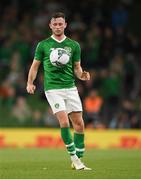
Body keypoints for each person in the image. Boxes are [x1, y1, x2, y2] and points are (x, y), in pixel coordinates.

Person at [26, 12, 91, 170]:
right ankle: (75, 159)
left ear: (65, 25)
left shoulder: (74, 45)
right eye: (54, 24)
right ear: (50, 26)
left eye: (60, 24)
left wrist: (82, 75)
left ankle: (78, 159)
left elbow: (77, 68)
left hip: (70, 88)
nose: (57, 27)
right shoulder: (43, 45)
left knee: (79, 124)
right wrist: (30, 83)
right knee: (64, 122)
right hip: (53, 89)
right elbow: (35, 66)